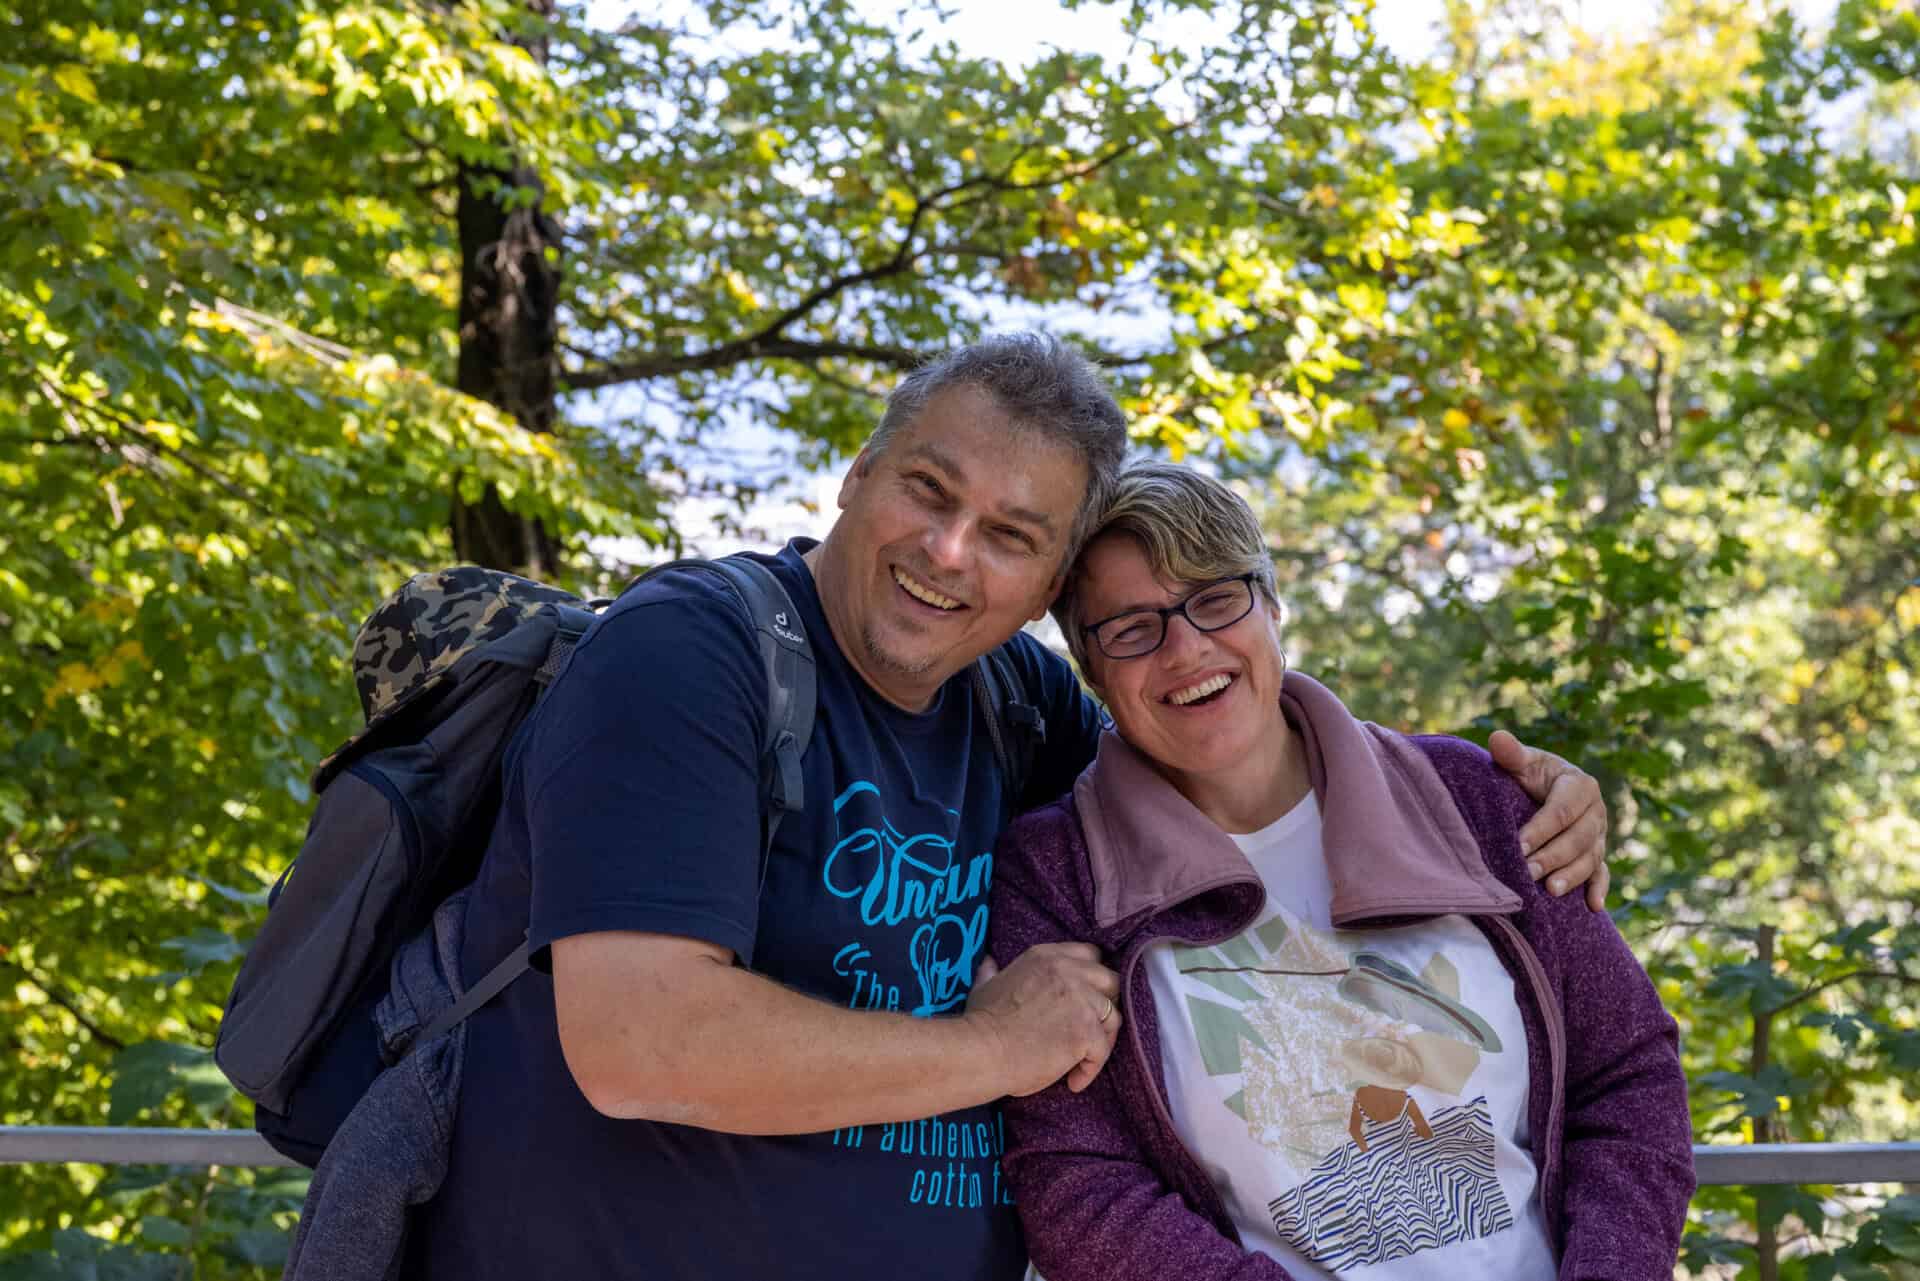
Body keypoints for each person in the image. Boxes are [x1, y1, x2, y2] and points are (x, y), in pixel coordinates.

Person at [404, 336, 1615, 1279]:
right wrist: (996, 1047)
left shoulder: (1020, 707)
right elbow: (640, 1044)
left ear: (1045, 588)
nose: (948, 551)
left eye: (1012, 537)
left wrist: (1503, 790)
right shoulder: (687, 655)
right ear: (857, 473)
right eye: (928, 490)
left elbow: (1216, 741)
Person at [991, 460, 1694, 1281]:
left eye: (1216, 598)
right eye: (1133, 627)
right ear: (1091, 666)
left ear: (1273, 604)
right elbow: (1080, 1185)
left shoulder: (1469, 799)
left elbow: (1628, 1072)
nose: (1187, 648)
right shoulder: (1057, 875)